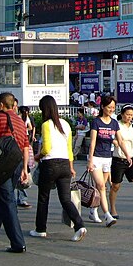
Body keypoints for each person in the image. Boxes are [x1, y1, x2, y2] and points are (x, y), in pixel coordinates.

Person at [29, 95, 87, 242]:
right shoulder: (65, 124)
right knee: (66, 199)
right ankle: (79, 225)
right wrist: (71, 167)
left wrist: (37, 156)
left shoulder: (46, 125)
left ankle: (40, 229)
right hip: (65, 165)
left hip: (50, 165)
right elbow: (69, 150)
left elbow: (47, 148)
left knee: (43, 198)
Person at [0, 92, 30, 253]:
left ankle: (18, 242)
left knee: (7, 201)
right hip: (17, 164)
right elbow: (25, 145)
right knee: (3, 198)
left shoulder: (0, 117)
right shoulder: (20, 120)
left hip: (2, 165)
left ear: (1, 105)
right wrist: (24, 169)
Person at [87, 95, 132, 226]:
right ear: (102, 107)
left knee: (102, 187)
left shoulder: (114, 123)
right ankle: (107, 215)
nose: (111, 109)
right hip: (96, 157)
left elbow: (121, 140)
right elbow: (93, 142)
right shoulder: (96, 122)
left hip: (108, 158)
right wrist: (90, 160)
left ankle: (93, 209)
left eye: (113, 107)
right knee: (101, 185)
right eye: (109, 107)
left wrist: (127, 155)